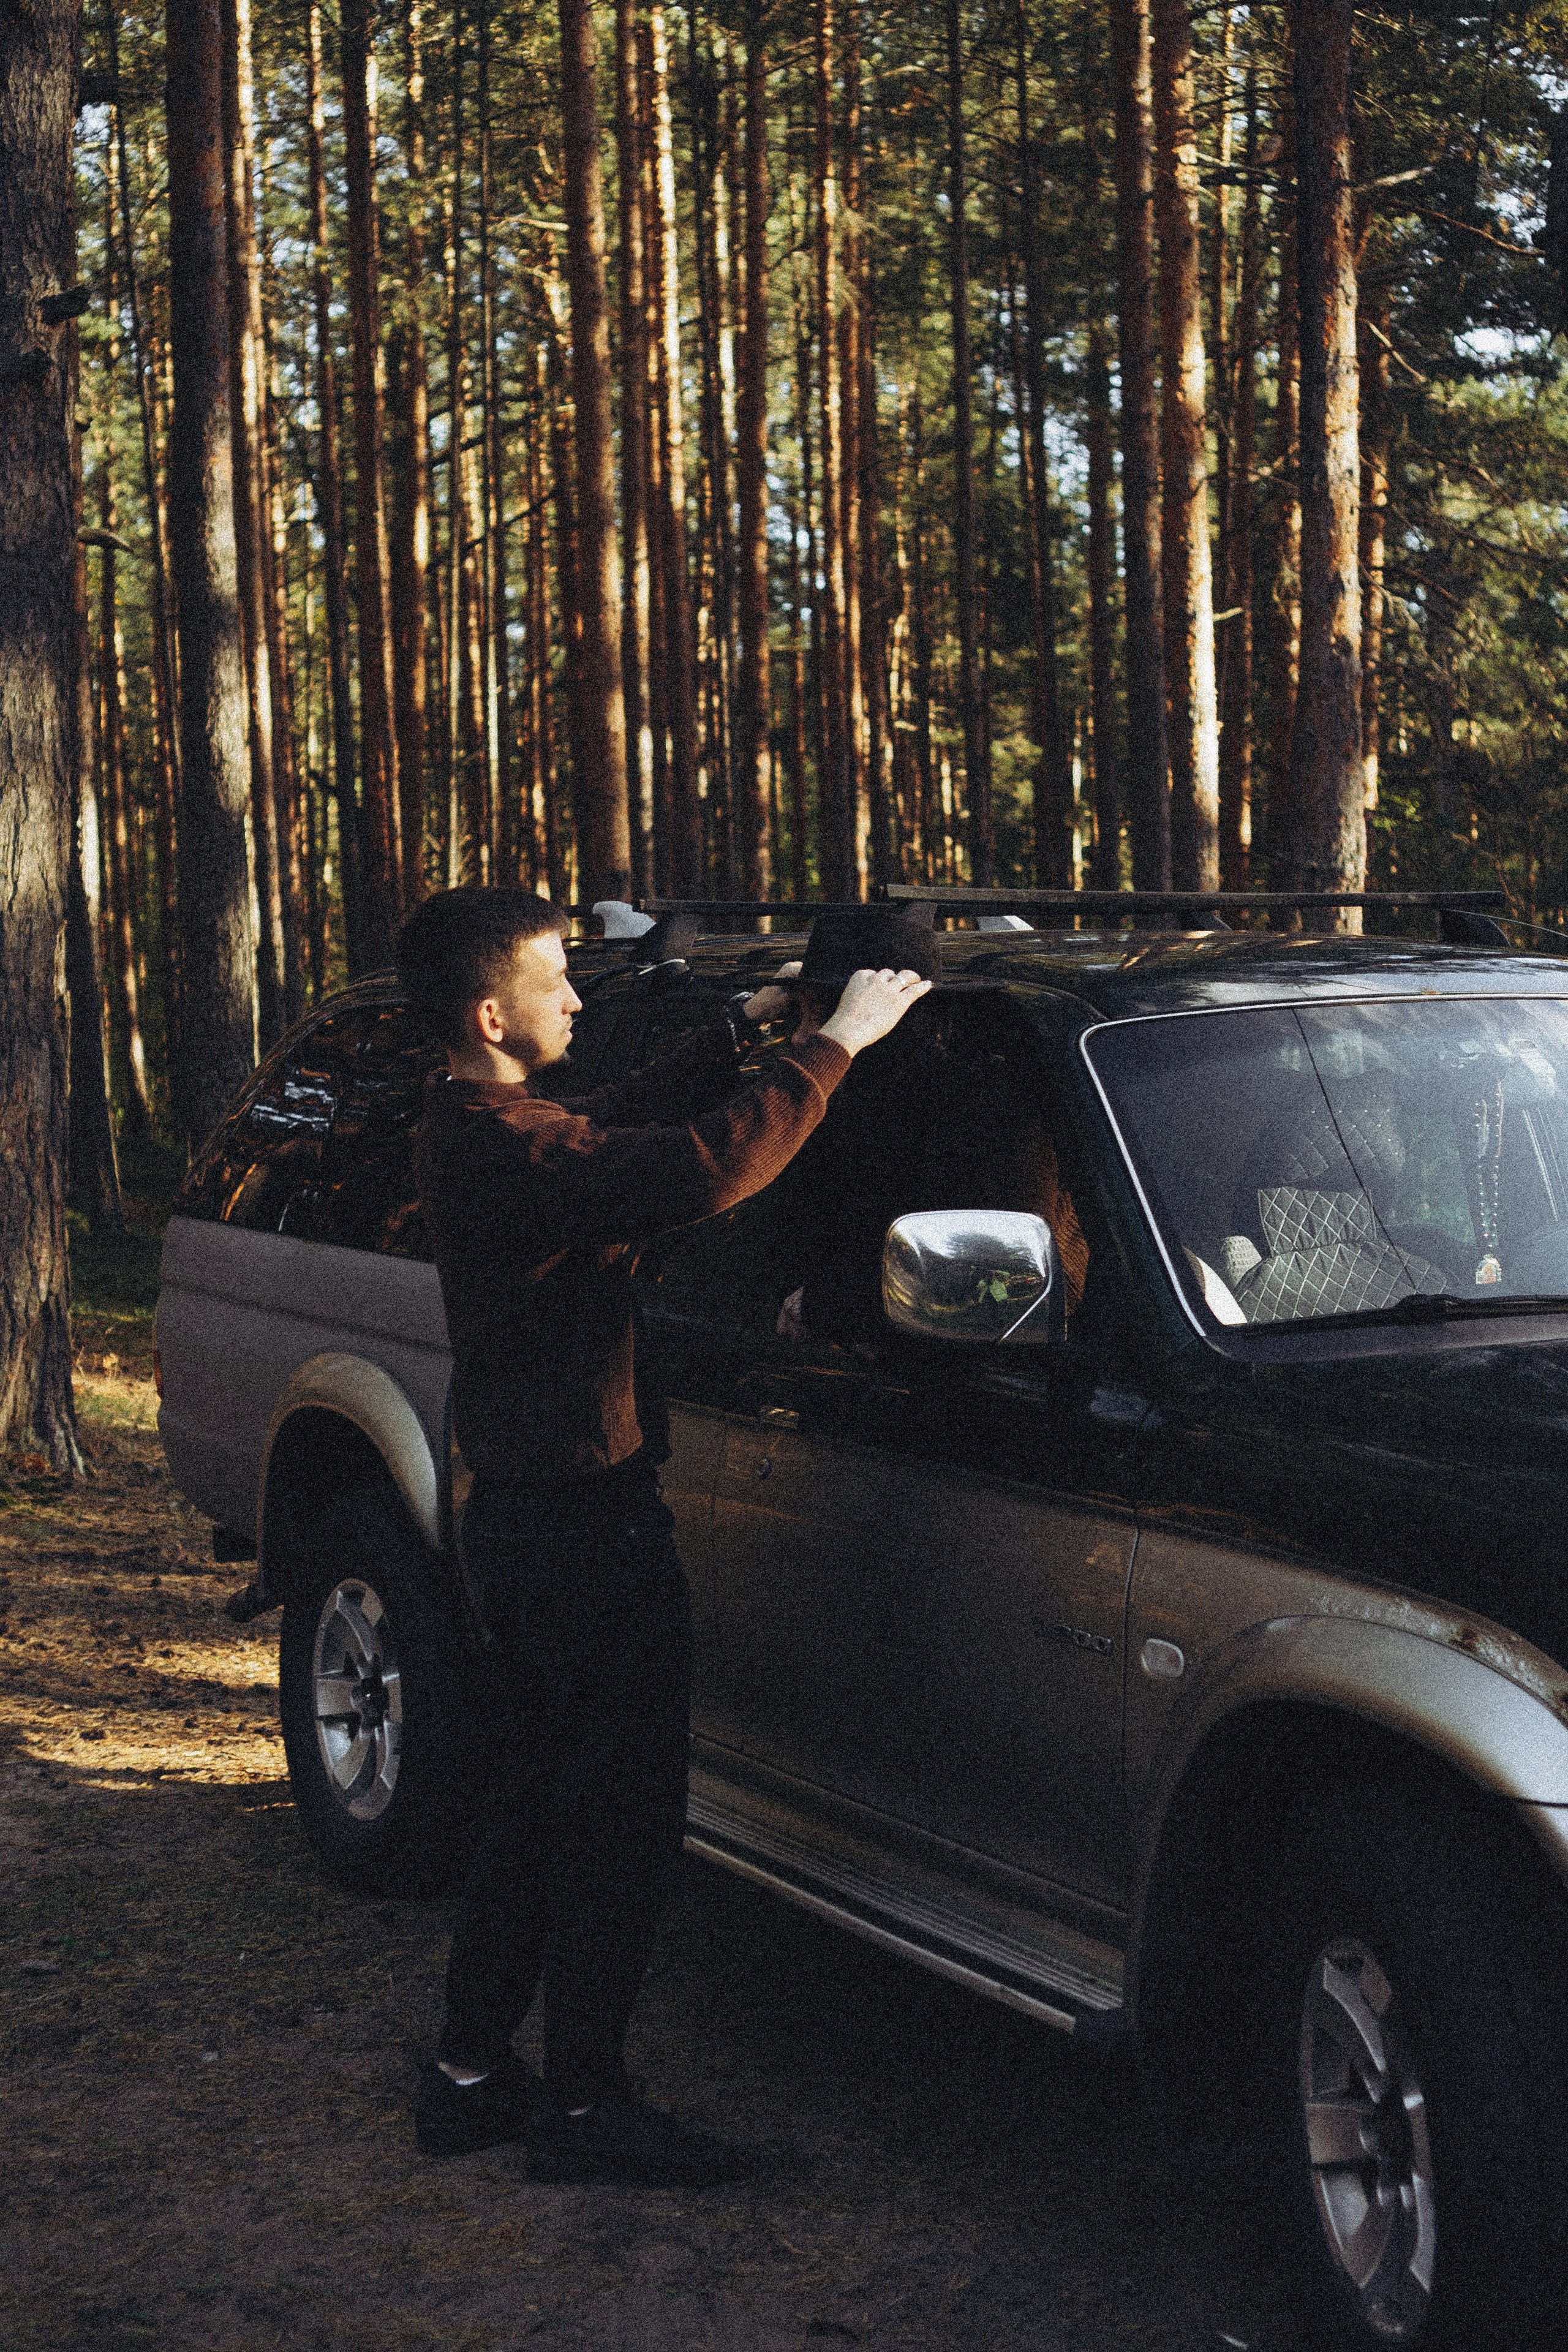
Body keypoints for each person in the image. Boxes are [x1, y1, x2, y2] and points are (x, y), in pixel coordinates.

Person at [394, 886, 930, 2185]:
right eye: (553, 983)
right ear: (488, 1014)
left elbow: (608, 1122)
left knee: (531, 1804)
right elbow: (692, 1170)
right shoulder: (505, 1151)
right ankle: (583, 2110)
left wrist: (731, 1038)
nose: (575, 998)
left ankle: (468, 2077)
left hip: (531, 1529)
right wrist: (829, 1047)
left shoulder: (485, 1124)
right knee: (623, 1824)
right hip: (580, 1541)